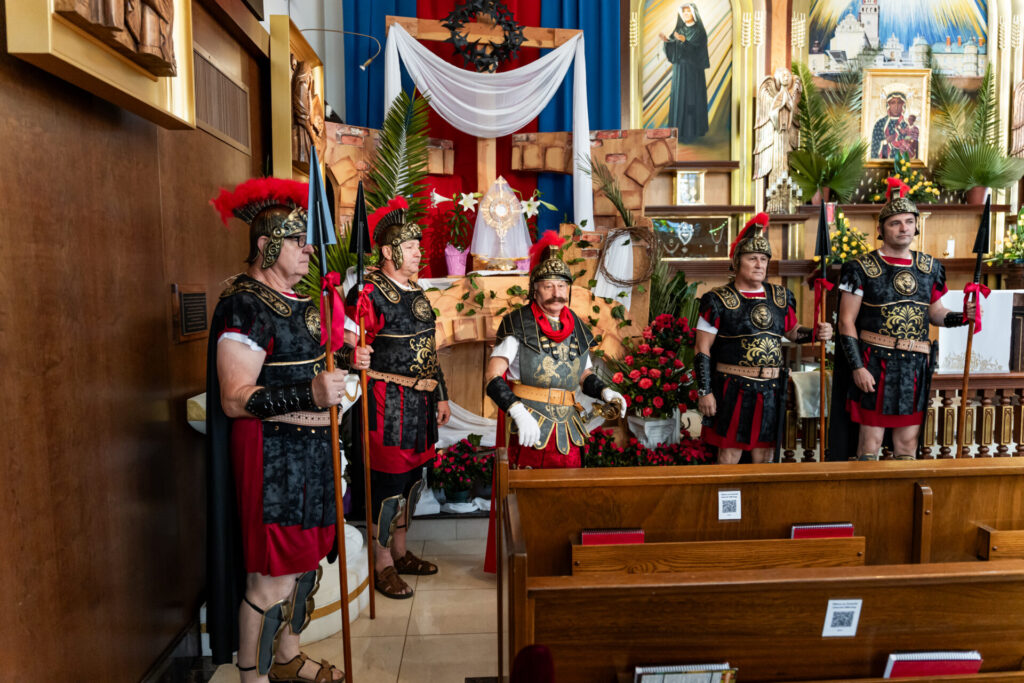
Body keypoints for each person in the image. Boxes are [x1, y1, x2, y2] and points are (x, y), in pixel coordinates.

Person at [206, 177, 347, 682]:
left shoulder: (295, 299)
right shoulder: (243, 304)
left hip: (312, 456)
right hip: (273, 460)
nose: (309, 249)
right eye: (297, 240)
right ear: (266, 245)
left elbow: (303, 365)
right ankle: (254, 676)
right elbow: (235, 398)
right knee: (270, 580)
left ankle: (286, 657)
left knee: (306, 565)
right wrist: (310, 393)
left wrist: (346, 366)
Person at [344, 196, 450, 599]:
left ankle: (401, 553)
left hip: (421, 406)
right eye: (410, 246)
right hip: (386, 405)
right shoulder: (368, 292)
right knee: (387, 487)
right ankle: (382, 563)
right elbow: (342, 347)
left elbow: (429, 349)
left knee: (411, 484)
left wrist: (441, 394)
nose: (419, 252)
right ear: (388, 252)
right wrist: (352, 355)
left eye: (418, 245)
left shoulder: (416, 291)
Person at [836, 178, 974, 461]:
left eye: (909, 222)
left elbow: (935, 312)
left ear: (916, 226)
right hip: (875, 363)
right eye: (895, 223)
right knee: (870, 444)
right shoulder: (860, 268)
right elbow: (846, 321)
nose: (903, 228)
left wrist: (963, 317)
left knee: (908, 444)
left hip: (913, 365)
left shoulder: (930, 267)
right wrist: (858, 367)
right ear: (881, 229)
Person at [694, 213, 833, 464]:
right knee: (729, 454)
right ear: (737, 262)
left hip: (770, 389)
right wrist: (705, 392)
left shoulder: (780, 297)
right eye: (752, 258)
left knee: (765, 455)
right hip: (732, 387)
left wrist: (816, 333)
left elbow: (792, 332)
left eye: (764, 259)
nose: (759, 264)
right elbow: (702, 349)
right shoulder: (717, 300)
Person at [484, 232, 626, 469]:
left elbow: (584, 375)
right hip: (529, 423)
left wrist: (605, 392)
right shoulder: (517, 322)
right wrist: (517, 411)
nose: (556, 293)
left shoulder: (577, 325)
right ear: (535, 290)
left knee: (568, 489)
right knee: (527, 489)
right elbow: (493, 376)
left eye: (561, 286)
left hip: (569, 427)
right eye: (548, 286)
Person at [661, 2, 710, 143]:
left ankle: (690, 133)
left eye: (688, 11)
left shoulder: (699, 31)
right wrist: (667, 42)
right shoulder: (679, 29)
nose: (686, 14)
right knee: (679, 98)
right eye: (684, 12)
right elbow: (674, 46)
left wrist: (685, 42)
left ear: (693, 13)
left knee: (690, 99)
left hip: (692, 72)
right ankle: (678, 131)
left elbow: (697, 51)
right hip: (679, 70)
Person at [871, 91, 915, 160]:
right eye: (893, 103)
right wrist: (885, 142)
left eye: (899, 103)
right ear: (888, 105)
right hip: (883, 163)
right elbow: (874, 147)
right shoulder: (880, 124)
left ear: (903, 105)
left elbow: (911, 146)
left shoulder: (906, 125)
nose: (896, 107)